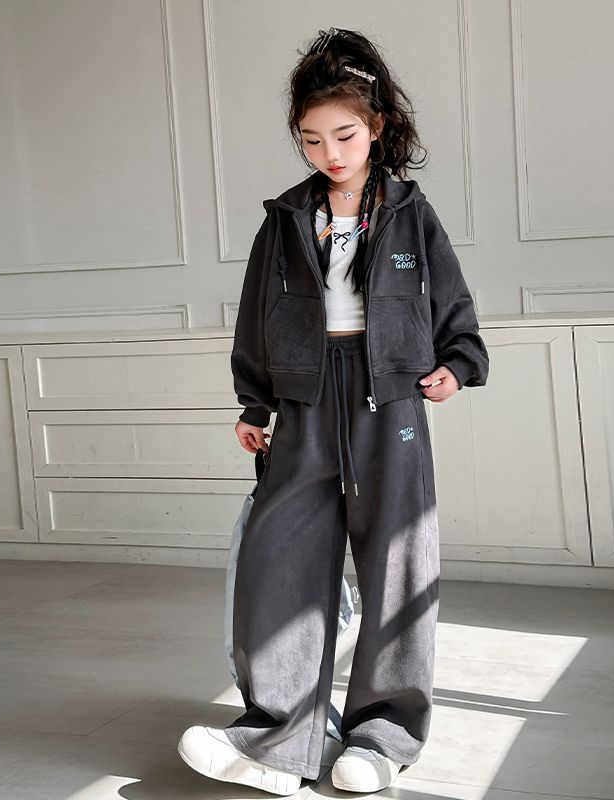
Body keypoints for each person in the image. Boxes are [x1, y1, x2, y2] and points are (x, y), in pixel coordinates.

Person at [178, 26, 489, 795]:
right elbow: (257, 318)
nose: (330, 153)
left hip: (391, 399)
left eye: (345, 135)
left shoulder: (410, 212)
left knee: (398, 565)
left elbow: (454, 307)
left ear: (376, 126)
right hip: (305, 396)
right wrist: (255, 401)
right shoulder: (286, 218)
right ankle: (281, 740)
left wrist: (455, 367)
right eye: (312, 139)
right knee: (280, 557)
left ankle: (381, 738)